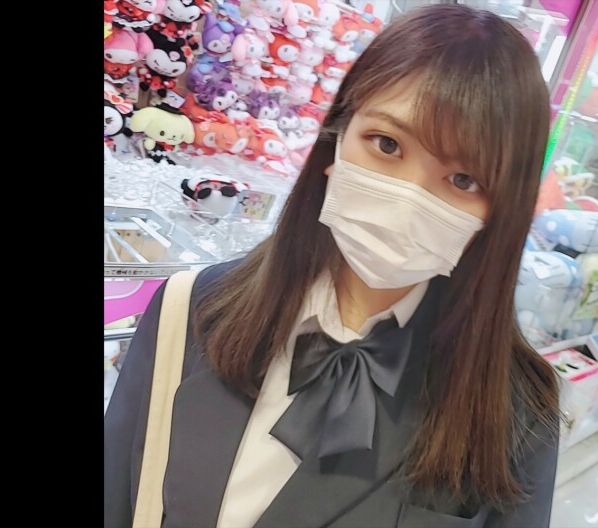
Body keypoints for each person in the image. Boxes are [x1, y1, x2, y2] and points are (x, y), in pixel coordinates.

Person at [105, 4, 561, 527]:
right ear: (337, 137)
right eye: (386, 144)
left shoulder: (516, 412)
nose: (407, 199)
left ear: (500, 209)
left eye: (463, 180)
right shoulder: (190, 308)